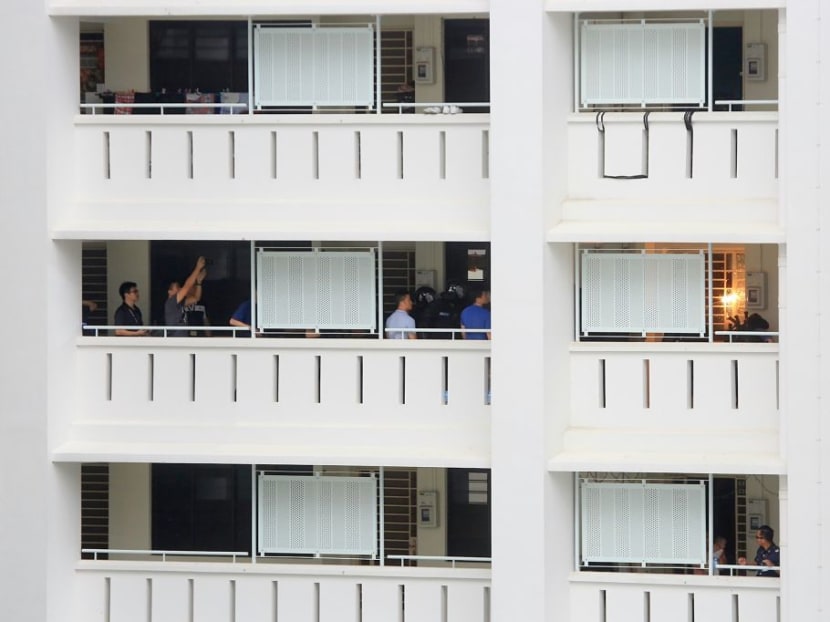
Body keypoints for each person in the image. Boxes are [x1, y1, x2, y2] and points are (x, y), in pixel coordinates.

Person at [164, 256, 206, 336]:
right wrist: (197, 268)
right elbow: (187, 286)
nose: (180, 289)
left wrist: (199, 283)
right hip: (175, 338)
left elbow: (196, 298)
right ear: (170, 291)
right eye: (177, 287)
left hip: (183, 337)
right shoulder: (171, 302)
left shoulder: (180, 302)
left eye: (180, 287)